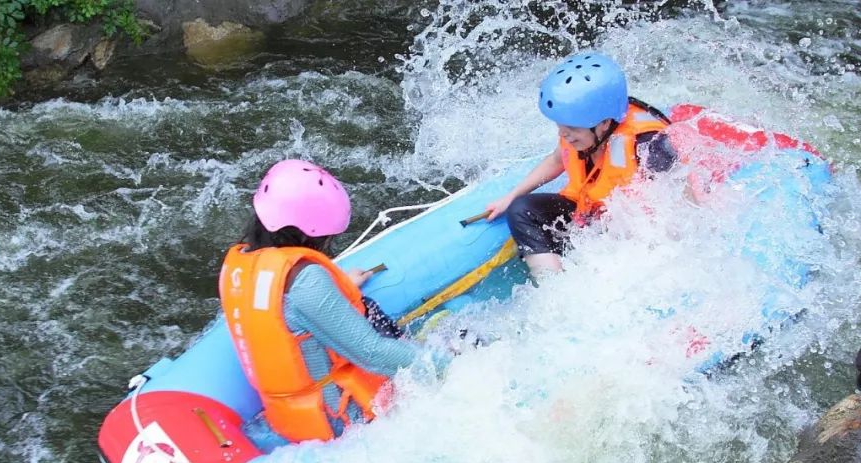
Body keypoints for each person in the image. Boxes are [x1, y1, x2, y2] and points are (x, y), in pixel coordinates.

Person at [219, 160, 440, 443]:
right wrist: (443, 364)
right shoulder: (306, 281)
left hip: (286, 418)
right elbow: (372, 354)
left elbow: (283, 310)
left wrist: (341, 285)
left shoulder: (240, 265)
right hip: (344, 421)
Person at [484, 51, 677, 279]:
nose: (564, 135)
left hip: (629, 228)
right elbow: (558, 159)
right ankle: (552, 285)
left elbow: (676, 210)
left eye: (572, 129)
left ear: (605, 123)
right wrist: (511, 196)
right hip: (590, 212)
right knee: (521, 209)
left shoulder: (651, 147)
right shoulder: (580, 129)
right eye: (560, 126)